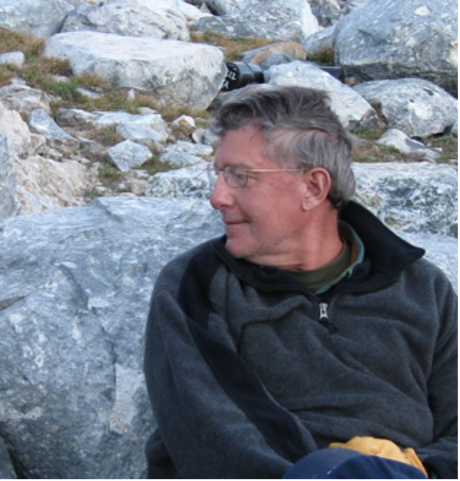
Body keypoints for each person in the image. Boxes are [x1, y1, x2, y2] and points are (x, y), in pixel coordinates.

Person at [143, 85, 458, 480]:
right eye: (218, 174)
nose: (217, 197)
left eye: (239, 176)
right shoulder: (196, 287)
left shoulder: (422, 287)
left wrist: (416, 470)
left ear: (313, 188)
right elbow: (214, 434)